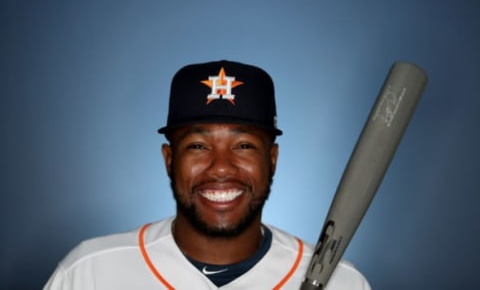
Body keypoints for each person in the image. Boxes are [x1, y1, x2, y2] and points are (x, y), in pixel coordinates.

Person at [44, 60, 371, 289]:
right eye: (198, 146)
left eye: (243, 145)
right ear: (168, 159)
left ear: (272, 159)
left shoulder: (342, 284)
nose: (222, 167)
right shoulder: (91, 273)